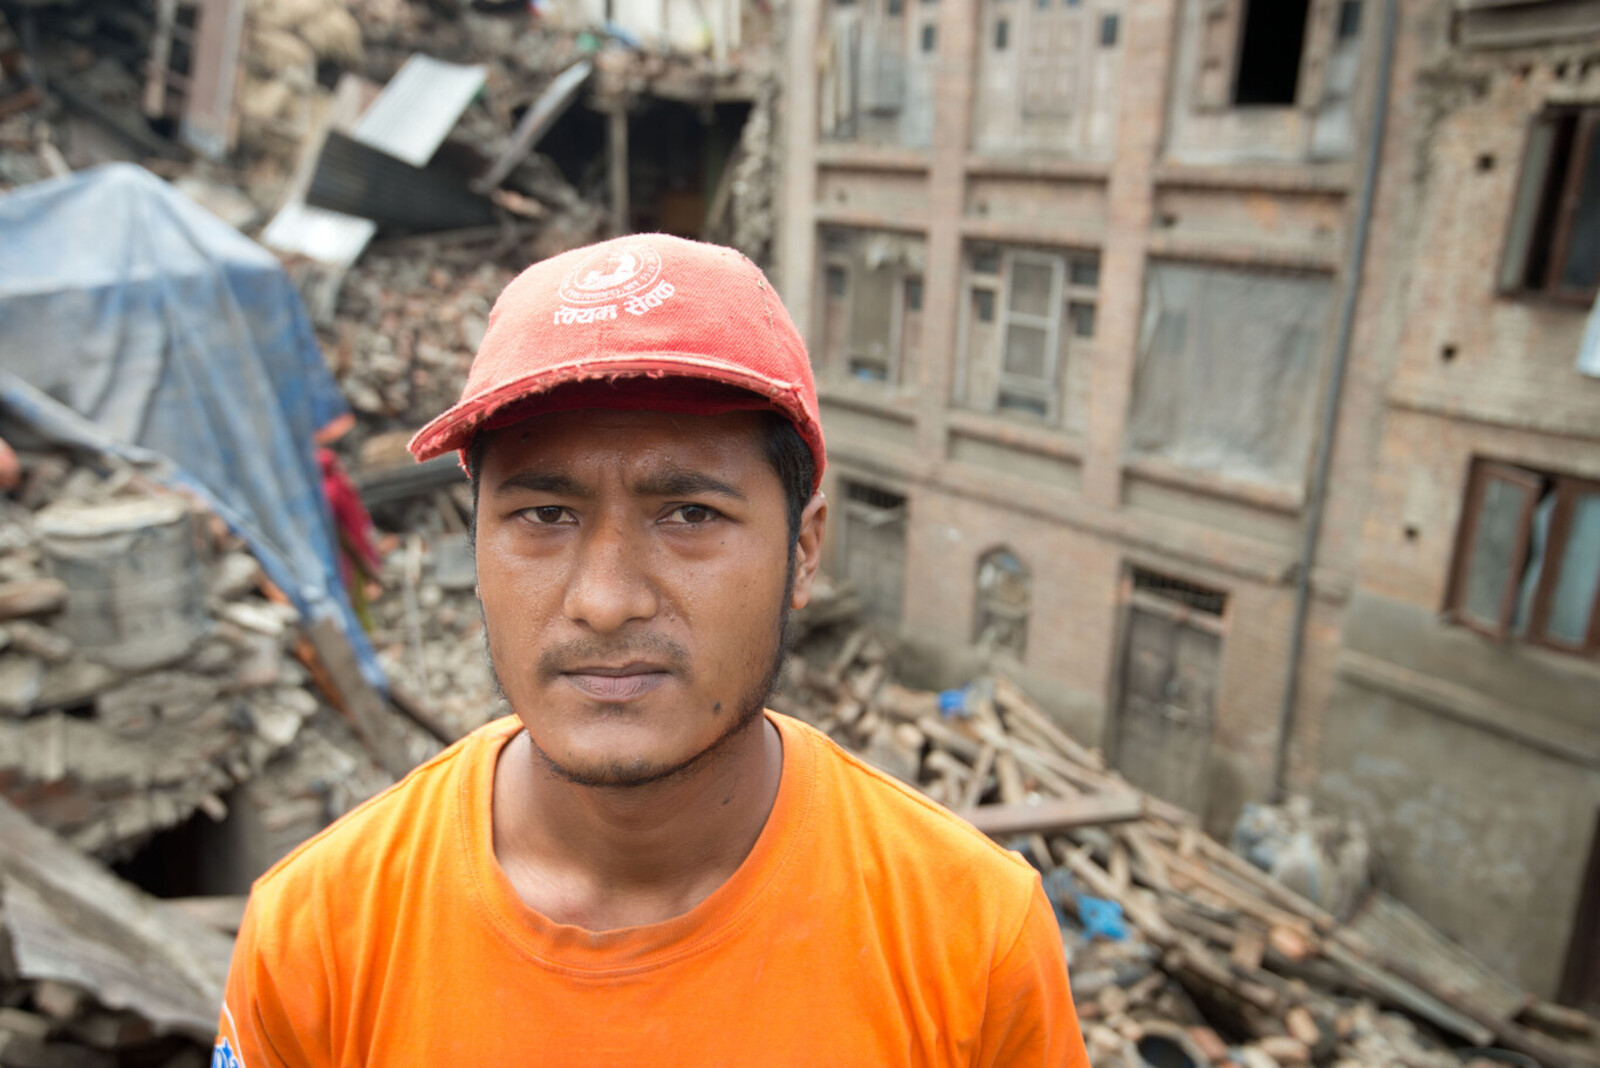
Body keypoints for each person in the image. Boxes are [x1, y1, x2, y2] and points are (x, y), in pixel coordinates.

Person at [215, 234, 1091, 1067]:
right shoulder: (316, 936)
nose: (605, 601)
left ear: (806, 551)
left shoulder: (972, 937)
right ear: (473, 542)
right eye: (545, 516)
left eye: (691, 515)